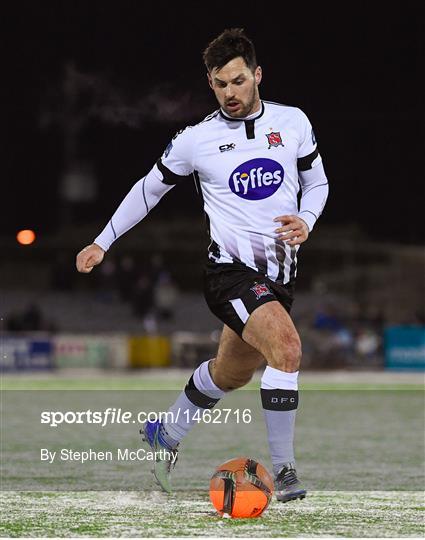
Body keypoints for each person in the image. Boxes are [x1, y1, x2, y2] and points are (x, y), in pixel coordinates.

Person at [76, 28, 329, 503]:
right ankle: (287, 472)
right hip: (229, 273)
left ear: (257, 75)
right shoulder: (197, 139)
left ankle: (164, 432)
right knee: (288, 350)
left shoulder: (292, 122)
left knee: (230, 374)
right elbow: (148, 189)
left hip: (280, 278)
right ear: (210, 83)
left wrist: (308, 219)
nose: (230, 93)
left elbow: (318, 183)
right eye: (219, 84)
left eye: (237, 81)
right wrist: (102, 241)